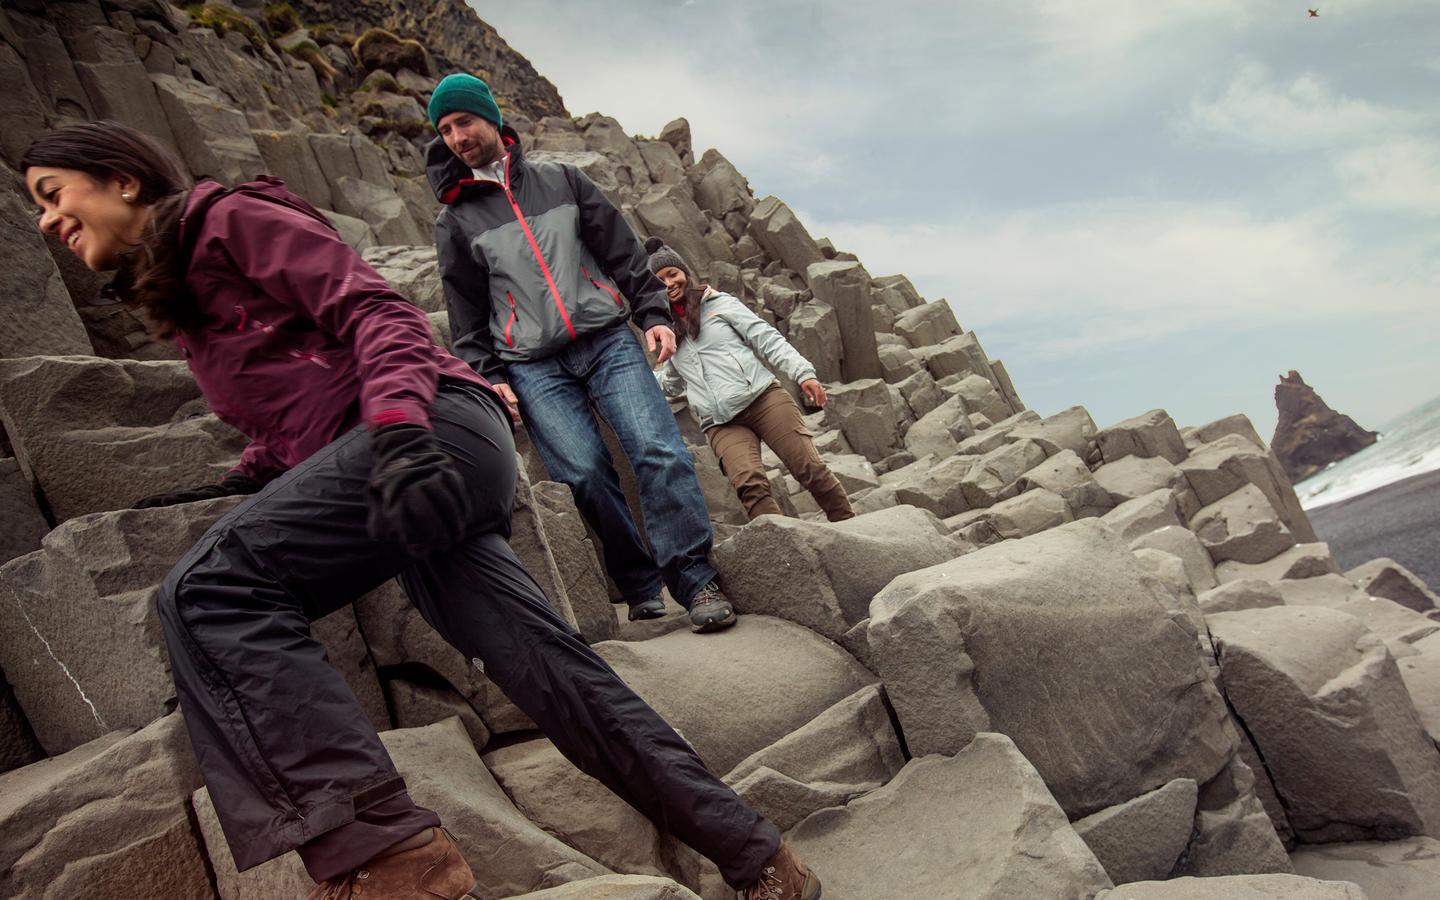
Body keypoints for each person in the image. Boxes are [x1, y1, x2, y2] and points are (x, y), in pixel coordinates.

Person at [20, 120, 821, 900]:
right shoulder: (189, 288)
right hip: (405, 462)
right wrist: (251, 473)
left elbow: (381, 317)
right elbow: (304, 403)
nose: (48, 220)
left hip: (426, 430)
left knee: (205, 592)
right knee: (557, 682)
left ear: (123, 180)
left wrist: (401, 434)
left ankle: (389, 861)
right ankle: (760, 859)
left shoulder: (228, 219)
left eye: (54, 195)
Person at [426, 73, 732, 630]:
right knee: (583, 475)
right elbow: (465, 310)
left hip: (608, 338)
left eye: (463, 121)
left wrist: (654, 314)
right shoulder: (455, 220)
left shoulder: (560, 179)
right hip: (532, 366)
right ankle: (639, 581)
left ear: (491, 117)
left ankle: (694, 579)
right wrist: (488, 375)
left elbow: (622, 251)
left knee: (658, 450)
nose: (455, 136)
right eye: (444, 129)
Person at [647, 239, 854, 522]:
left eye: (673, 274)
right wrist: (635, 378)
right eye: (659, 280)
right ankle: (790, 553)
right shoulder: (666, 330)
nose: (669, 283)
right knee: (750, 487)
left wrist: (802, 373)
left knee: (809, 468)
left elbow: (766, 339)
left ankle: (850, 525)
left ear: (685, 273)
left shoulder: (719, 304)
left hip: (764, 399)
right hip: (720, 422)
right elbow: (672, 383)